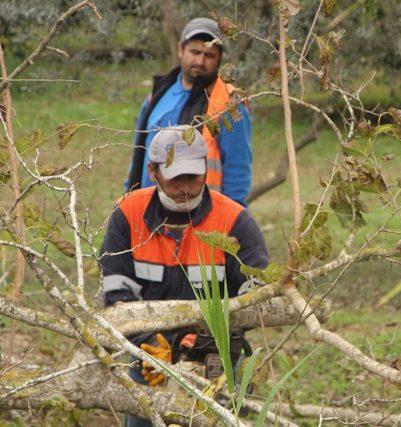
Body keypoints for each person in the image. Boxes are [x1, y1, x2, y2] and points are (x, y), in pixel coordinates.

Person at [101, 126, 268, 426]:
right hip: (151, 355)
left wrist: (213, 334)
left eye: (193, 176)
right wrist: (146, 341)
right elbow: (116, 297)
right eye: (177, 178)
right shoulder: (128, 214)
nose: (187, 187)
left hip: (219, 358)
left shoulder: (234, 221)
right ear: (153, 171)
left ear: (205, 167)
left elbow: (257, 296)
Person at [125, 17, 252, 206]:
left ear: (219, 59)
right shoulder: (158, 93)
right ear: (180, 50)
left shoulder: (228, 103)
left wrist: (231, 223)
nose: (200, 61)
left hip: (200, 217)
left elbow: (238, 171)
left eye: (209, 55)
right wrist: (128, 202)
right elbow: (137, 156)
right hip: (149, 212)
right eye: (195, 52)